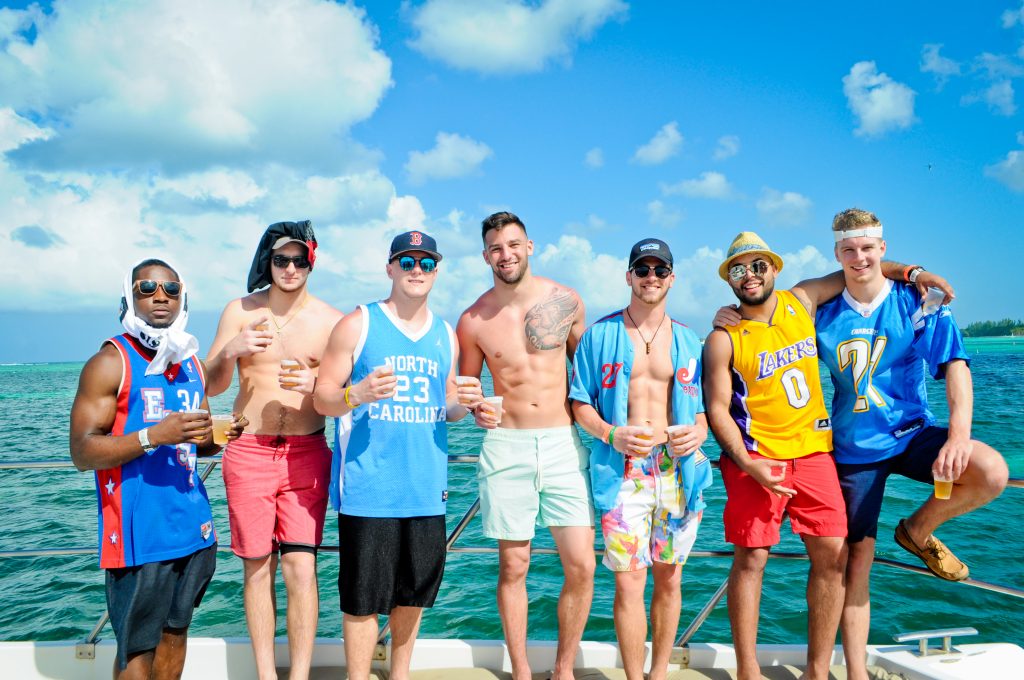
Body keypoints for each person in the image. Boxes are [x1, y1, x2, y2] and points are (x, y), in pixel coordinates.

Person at [814, 209, 1008, 680]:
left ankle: (917, 530)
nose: (859, 257)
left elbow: (955, 365)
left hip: (913, 432)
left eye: (868, 248)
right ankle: (855, 670)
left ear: (883, 248)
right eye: (849, 250)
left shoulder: (917, 302)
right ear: (836, 254)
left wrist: (959, 435)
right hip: (855, 447)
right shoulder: (820, 311)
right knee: (853, 561)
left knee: (991, 471)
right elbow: (767, 327)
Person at [69, 259, 245, 680]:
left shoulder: (190, 362)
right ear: (130, 297)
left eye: (171, 289)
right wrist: (153, 435)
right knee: (136, 648)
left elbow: (196, 442)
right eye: (147, 288)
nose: (160, 296)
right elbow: (82, 451)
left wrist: (219, 435)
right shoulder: (111, 361)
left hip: (193, 526)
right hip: (138, 534)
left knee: (175, 633)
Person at [314, 230, 468, 680]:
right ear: (389, 268)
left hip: (425, 488)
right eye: (406, 262)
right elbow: (323, 397)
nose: (416, 270)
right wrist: (356, 393)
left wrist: (468, 407)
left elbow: (448, 405)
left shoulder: (445, 333)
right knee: (362, 600)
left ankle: (399, 673)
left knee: (412, 595)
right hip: (369, 486)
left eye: (425, 263)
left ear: (436, 271)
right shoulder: (359, 323)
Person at [456, 211, 595, 680]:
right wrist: (476, 409)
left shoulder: (566, 300)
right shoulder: (474, 319)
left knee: (581, 564)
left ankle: (562, 669)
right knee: (513, 565)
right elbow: (466, 388)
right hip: (506, 445)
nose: (506, 254)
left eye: (513, 245)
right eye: (496, 248)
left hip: (562, 442)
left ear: (530, 246)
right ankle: (519, 670)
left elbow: (593, 375)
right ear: (485, 255)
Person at [569, 239, 713, 680]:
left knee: (670, 578)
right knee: (629, 583)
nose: (651, 277)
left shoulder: (690, 339)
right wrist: (613, 434)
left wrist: (699, 432)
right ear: (628, 276)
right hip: (621, 471)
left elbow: (707, 410)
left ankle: (659, 673)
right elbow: (579, 404)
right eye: (642, 269)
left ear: (672, 277)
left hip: (678, 472)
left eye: (660, 270)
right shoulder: (599, 335)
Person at [204, 220, 343, 680]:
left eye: (298, 260)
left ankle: (299, 674)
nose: (289, 268)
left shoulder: (330, 320)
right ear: (268, 261)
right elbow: (211, 384)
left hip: (308, 451)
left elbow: (342, 398)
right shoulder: (240, 311)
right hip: (250, 452)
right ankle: (267, 674)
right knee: (257, 567)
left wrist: (318, 384)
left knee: (302, 569)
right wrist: (231, 350)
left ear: (311, 262)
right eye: (280, 259)